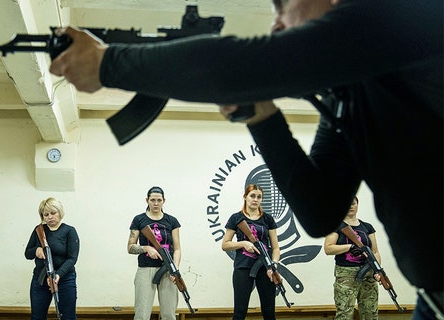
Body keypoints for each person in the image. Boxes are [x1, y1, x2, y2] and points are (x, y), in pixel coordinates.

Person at [48, 0, 443, 317]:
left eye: (281, 6)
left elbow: (235, 65)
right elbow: (320, 211)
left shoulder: (396, 12)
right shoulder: (350, 98)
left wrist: (107, 63)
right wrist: (263, 117)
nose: (275, 25)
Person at [221, 184, 279, 320]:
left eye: (259, 197)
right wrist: (243, 243)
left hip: (266, 268)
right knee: (240, 311)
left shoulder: (268, 219)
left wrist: (274, 264)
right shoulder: (236, 218)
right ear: (245, 197)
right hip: (243, 267)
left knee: (269, 311)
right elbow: (225, 244)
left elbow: (275, 248)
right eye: (252, 196)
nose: (255, 199)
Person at [127, 186, 181, 320]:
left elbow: (178, 248)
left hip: (167, 270)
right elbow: (130, 247)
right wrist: (145, 248)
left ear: (164, 201)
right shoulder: (139, 220)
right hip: (146, 269)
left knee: (169, 314)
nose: (156, 203)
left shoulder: (172, 221)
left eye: (159, 200)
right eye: (152, 200)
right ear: (147, 200)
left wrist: (175, 269)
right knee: (142, 314)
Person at [323, 196, 382, 320]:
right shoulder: (337, 226)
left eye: (353, 203)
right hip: (346, 274)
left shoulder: (367, 227)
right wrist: (349, 247)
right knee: (344, 313)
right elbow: (328, 248)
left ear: (357, 205)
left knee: (370, 312)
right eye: (347, 204)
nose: (351, 206)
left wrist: (378, 271)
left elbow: (375, 252)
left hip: (368, 273)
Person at [25, 197, 80, 320]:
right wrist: (36, 250)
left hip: (65, 280)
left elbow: (72, 258)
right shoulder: (38, 230)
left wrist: (58, 275)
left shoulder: (69, 231)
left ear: (60, 212)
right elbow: (27, 253)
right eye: (46, 214)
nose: (50, 217)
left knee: (68, 317)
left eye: (53, 213)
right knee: (37, 316)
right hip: (40, 280)